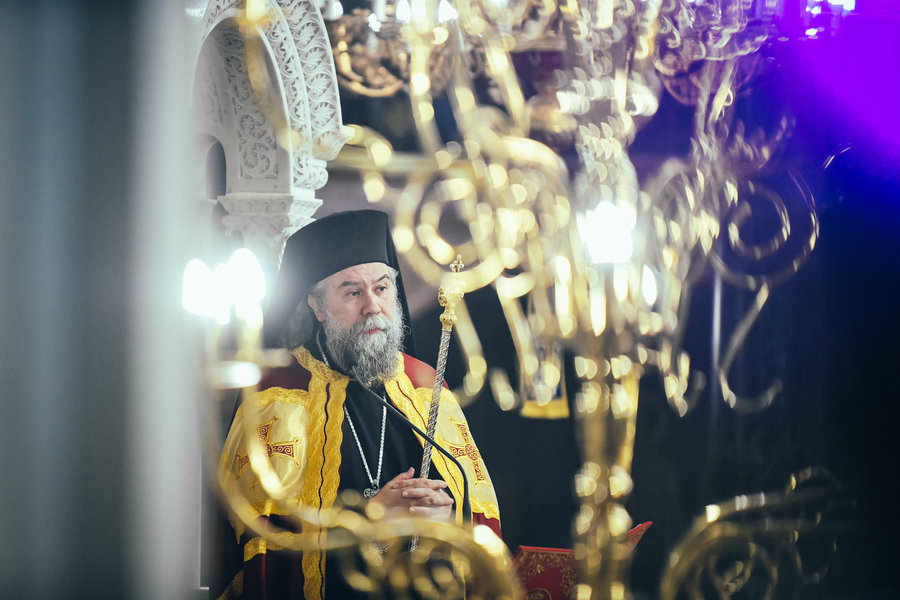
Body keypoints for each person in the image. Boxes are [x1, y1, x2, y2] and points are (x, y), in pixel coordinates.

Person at [211, 210, 500, 600]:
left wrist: (445, 518)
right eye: (352, 292)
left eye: (381, 288)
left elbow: (479, 515)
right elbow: (263, 544)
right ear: (317, 307)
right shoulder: (276, 396)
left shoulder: (424, 386)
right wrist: (370, 521)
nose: (373, 307)